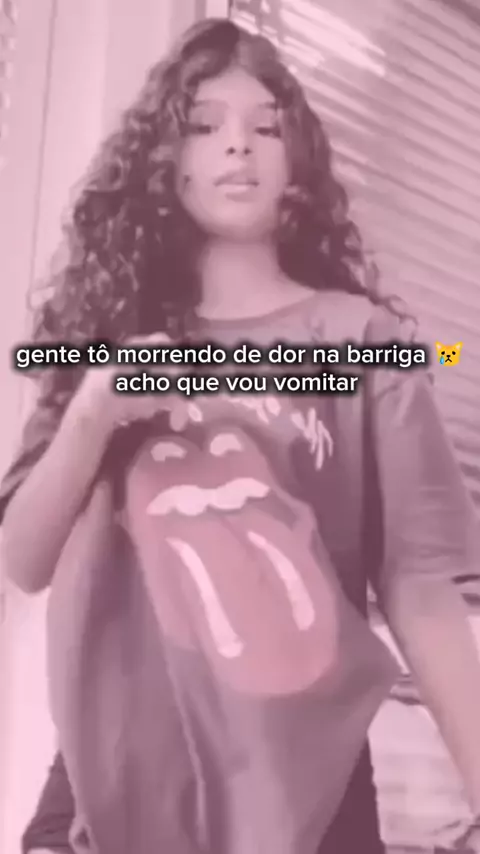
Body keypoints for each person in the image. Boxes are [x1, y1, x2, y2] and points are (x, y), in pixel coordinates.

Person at [2, 17, 480, 854]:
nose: (238, 146)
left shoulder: (363, 344)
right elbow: (24, 559)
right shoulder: (108, 339)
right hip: (112, 774)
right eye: (204, 125)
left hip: (310, 784)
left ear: (297, 163)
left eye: (266, 128)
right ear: (166, 159)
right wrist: (91, 415)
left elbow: (419, 588)